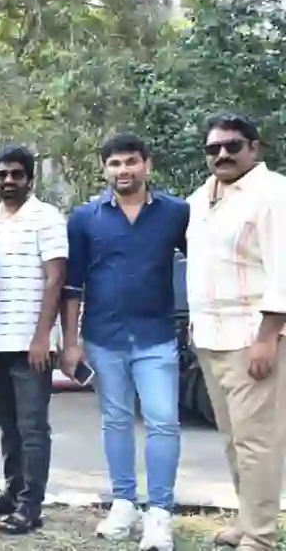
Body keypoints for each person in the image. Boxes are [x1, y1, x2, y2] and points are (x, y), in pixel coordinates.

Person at [60, 133, 188, 550]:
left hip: (156, 337)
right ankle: (124, 503)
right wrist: (71, 342)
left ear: (147, 164)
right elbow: (72, 286)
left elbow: (203, 265)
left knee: (163, 421)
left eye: (131, 161)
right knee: (115, 421)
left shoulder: (176, 213)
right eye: (115, 164)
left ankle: (160, 514)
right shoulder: (85, 218)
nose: (123, 170)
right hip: (104, 337)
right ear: (105, 170)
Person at [185, 113, 286, 551]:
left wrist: (268, 337)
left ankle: (260, 537)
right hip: (210, 337)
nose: (222, 154)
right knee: (232, 440)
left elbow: (283, 269)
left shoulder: (274, 194)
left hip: (252, 338)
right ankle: (246, 521)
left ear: (254, 148)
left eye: (232, 146)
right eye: (213, 148)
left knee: (256, 443)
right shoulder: (199, 199)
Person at [0, 145, 66, 535]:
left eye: (16, 174)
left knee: (32, 428)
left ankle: (31, 506)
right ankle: (12, 492)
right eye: (1, 174)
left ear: (30, 179)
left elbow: (55, 279)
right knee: (6, 424)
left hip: (31, 345)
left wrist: (43, 336)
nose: (8, 180)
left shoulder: (47, 218)